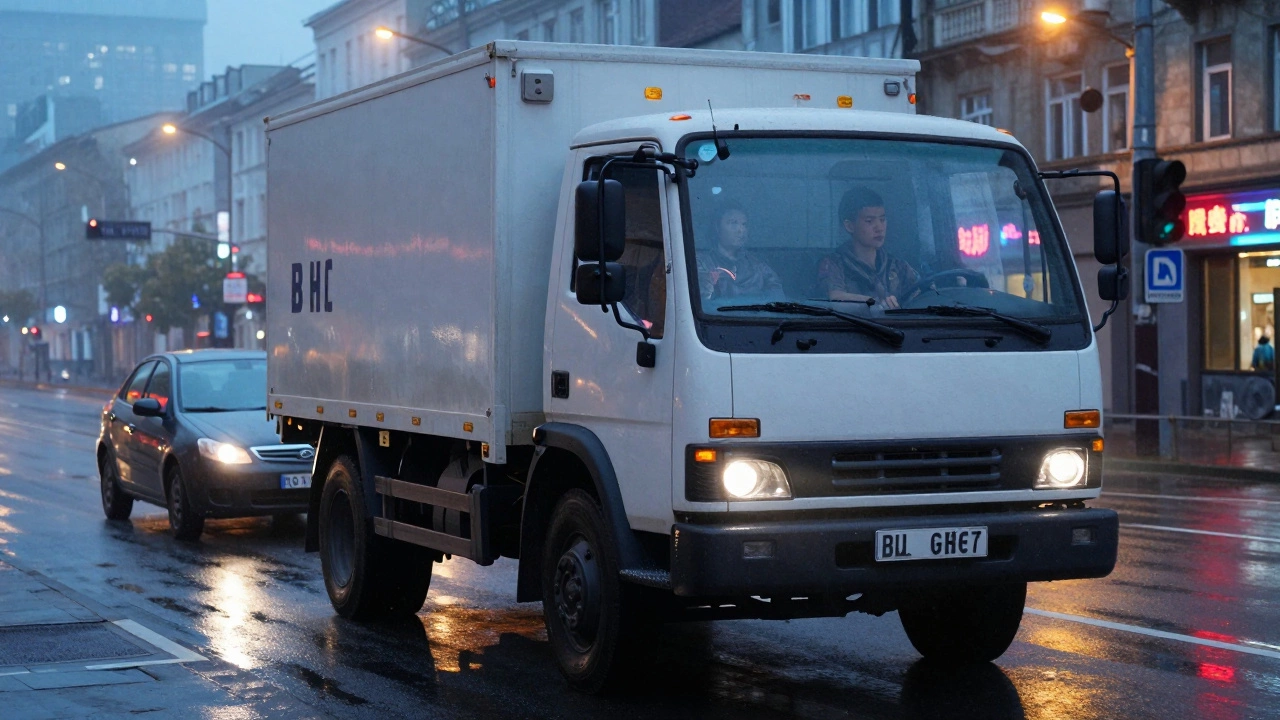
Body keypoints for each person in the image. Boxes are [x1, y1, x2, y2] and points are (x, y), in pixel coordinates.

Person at [817, 186, 919, 309]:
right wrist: (874, 302)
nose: (879, 228)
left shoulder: (898, 266)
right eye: (869, 221)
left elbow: (923, 295)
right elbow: (834, 297)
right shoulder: (834, 264)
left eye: (882, 220)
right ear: (849, 226)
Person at [696, 201, 784, 302]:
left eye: (744, 224)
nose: (741, 230)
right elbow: (703, 302)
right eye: (733, 223)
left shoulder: (759, 267)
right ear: (717, 227)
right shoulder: (701, 263)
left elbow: (777, 300)